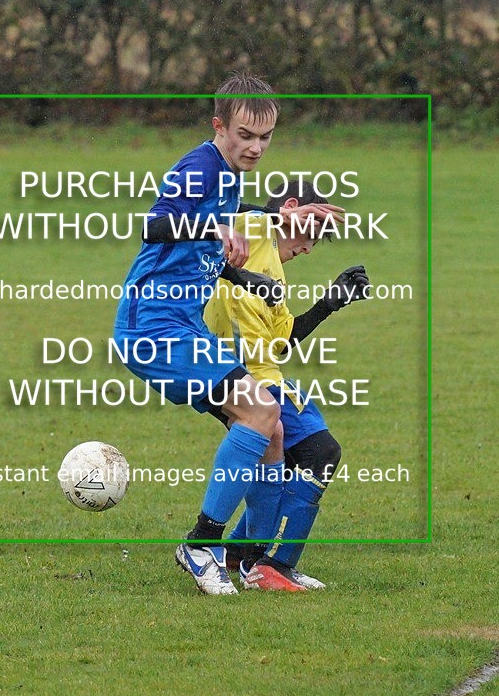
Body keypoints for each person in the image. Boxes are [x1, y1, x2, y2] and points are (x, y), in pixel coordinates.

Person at [113, 72, 343, 595]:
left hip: (182, 324)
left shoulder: (229, 175)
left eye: (265, 137)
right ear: (219, 126)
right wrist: (214, 229)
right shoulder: (199, 166)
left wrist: (247, 275)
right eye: (245, 134)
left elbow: (210, 247)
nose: (255, 147)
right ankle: (200, 544)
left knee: (272, 431)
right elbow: (154, 226)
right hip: (152, 325)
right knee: (261, 412)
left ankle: (252, 563)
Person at [203, 180, 370, 592]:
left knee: (288, 458)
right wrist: (277, 214)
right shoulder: (253, 230)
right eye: (312, 232)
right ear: (291, 208)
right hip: (244, 377)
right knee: (321, 452)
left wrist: (328, 304)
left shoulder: (275, 271)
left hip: (263, 375)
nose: (309, 247)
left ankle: (241, 552)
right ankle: (273, 564)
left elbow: (282, 340)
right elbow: (215, 207)